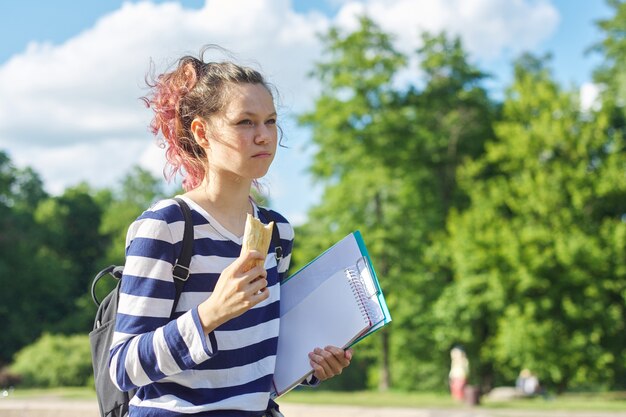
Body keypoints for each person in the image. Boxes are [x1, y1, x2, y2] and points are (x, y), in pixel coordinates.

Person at [109, 46, 353, 416]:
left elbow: (260, 354)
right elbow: (123, 366)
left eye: (270, 121)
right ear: (202, 132)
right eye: (245, 122)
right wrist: (211, 313)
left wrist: (314, 364)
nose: (264, 136)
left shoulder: (278, 232)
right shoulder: (167, 227)